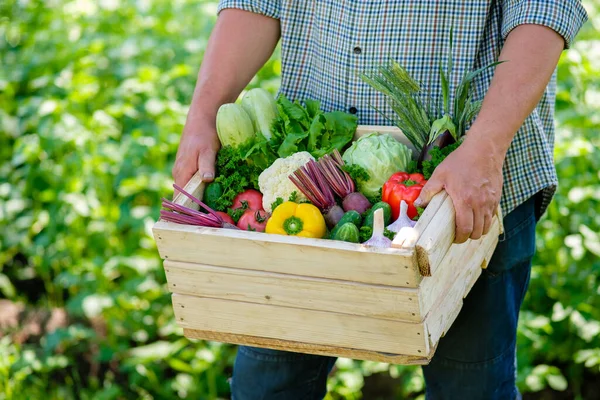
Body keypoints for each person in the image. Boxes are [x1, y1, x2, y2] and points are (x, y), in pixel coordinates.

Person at [172, 1, 588, 399]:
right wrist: (202, 114)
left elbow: (543, 9)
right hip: (314, 182)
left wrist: (484, 150)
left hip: (462, 182)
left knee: (471, 389)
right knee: (266, 387)